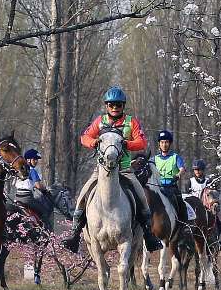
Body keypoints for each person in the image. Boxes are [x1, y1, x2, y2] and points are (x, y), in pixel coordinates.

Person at [62, 86, 163, 253]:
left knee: (142, 199)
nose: (115, 108)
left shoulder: (131, 122)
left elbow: (142, 142)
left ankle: (148, 235)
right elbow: (84, 137)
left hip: (124, 170)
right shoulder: (99, 122)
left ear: (123, 106)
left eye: (118, 105)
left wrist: (127, 143)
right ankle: (75, 233)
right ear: (106, 106)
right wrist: (92, 142)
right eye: (111, 105)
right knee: (82, 195)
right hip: (101, 170)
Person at [186, 159, 221, 250]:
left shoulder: (209, 181)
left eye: (199, 169)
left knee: (218, 222)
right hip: (193, 209)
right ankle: (185, 241)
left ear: (203, 170)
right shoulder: (190, 181)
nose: (197, 171)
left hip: (206, 208)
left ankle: (216, 241)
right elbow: (187, 196)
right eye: (195, 170)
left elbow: (212, 194)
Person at [152, 129, 186, 220]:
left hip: (171, 187)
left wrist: (178, 175)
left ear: (170, 143)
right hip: (158, 188)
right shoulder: (154, 159)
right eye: (162, 142)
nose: (164, 145)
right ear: (159, 144)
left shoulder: (175, 157)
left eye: (166, 142)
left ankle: (184, 225)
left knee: (181, 204)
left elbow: (182, 169)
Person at [13, 148, 52, 220]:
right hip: (27, 199)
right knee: (45, 211)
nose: (36, 161)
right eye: (34, 159)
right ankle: (44, 229)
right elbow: (39, 186)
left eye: (37, 160)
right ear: (28, 160)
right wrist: (45, 190)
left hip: (17, 198)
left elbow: (14, 184)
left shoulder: (18, 170)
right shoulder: (32, 171)